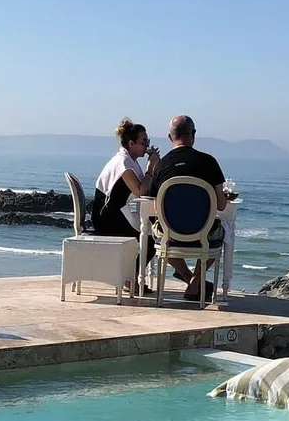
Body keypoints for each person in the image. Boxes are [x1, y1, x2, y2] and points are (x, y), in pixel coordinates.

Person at [150, 114, 227, 301]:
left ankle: (188, 277)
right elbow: (222, 205)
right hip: (204, 235)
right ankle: (195, 280)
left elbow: (155, 204)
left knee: (156, 234)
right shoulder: (209, 162)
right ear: (193, 134)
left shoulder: (161, 165)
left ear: (170, 137)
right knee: (222, 231)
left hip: (171, 235)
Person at [92, 117, 160, 247]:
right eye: (144, 142)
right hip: (105, 219)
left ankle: (133, 267)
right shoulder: (123, 164)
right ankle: (133, 268)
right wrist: (150, 168)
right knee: (150, 241)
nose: (147, 146)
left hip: (113, 214)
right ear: (131, 143)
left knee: (152, 235)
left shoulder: (129, 161)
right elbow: (140, 191)